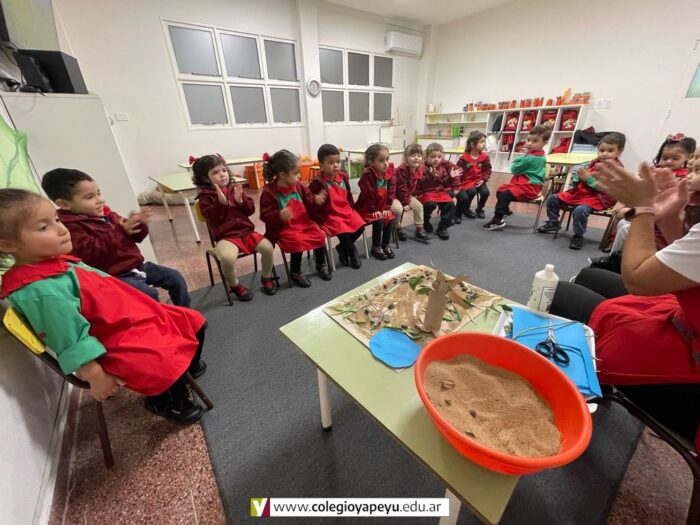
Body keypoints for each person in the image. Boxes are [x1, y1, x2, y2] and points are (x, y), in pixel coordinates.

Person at [0, 189, 208, 424]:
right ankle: (167, 402)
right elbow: (68, 338)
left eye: (56, 220)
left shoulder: (51, 262)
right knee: (163, 357)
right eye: (43, 227)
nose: (62, 229)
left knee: (195, 322)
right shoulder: (39, 291)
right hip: (113, 339)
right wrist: (94, 373)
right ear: (6, 245)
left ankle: (185, 369)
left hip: (128, 319)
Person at [549, 163, 699, 449]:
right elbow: (687, 264)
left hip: (691, 384)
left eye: (698, 168)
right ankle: (596, 378)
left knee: (558, 292)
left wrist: (643, 210)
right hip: (687, 322)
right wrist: (667, 217)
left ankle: (580, 388)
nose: (690, 175)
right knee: (589, 275)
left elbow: (638, 280)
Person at [41, 168, 191, 307]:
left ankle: (186, 313)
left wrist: (139, 224)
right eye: (90, 197)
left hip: (135, 266)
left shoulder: (107, 214)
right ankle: (161, 322)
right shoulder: (69, 227)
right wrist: (121, 231)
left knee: (175, 277)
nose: (100, 200)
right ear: (64, 204)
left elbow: (135, 237)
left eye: (99, 193)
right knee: (148, 294)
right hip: (113, 276)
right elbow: (92, 253)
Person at [592, 134, 697, 271]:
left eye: (675, 158)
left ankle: (617, 259)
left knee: (625, 228)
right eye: (665, 158)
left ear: (688, 157)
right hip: (653, 216)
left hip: (659, 225)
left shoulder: (684, 180)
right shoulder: (658, 171)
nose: (669, 162)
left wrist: (642, 209)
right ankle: (615, 256)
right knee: (622, 220)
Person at [192, 154, 277, 300]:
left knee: (268, 247)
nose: (222, 175)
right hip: (226, 237)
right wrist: (220, 204)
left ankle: (266, 277)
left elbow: (250, 210)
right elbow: (212, 218)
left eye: (224, 170)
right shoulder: (205, 197)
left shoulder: (235, 189)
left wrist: (241, 202)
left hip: (247, 232)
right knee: (227, 257)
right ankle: (235, 286)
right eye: (215, 172)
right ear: (205, 178)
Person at [538, 132, 626, 250]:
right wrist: (577, 178)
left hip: (599, 198)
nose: (605, 154)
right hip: (580, 193)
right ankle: (553, 222)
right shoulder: (594, 162)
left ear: (619, 151)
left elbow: (605, 188)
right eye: (602, 150)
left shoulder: (616, 169)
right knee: (553, 199)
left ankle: (578, 235)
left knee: (580, 210)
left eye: (610, 151)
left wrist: (588, 179)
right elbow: (583, 175)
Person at [259, 150, 330, 288]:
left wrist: (316, 200)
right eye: (296, 173)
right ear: (283, 175)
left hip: (304, 223)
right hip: (284, 228)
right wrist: (279, 215)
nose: (299, 176)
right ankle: (295, 272)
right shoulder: (269, 192)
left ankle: (321, 264)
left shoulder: (299, 186)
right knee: (297, 241)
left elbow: (310, 200)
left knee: (319, 235)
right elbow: (264, 215)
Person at [483, 125, 551, 231]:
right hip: (527, 184)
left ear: (544, 143)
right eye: (528, 140)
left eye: (535, 141)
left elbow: (514, 169)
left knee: (504, 195)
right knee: (501, 190)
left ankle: (497, 220)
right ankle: (505, 211)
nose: (529, 143)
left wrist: (519, 159)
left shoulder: (530, 158)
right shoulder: (538, 155)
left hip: (529, 187)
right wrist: (523, 157)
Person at [308, 144, 365, 269]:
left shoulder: (343, 176)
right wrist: (316, 200)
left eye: (338, 162)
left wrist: (352, 208)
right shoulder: (318, 182)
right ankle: (352, 252)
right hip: (330, 214)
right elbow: (309, 201)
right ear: (321, 165)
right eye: (330, 163)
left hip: (346, 210)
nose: (335, 165)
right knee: (342, 230)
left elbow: (348, 194)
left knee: (360, 226)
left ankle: (342, 247)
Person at [354, 144, 397, 260]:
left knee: (389, 217)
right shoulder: (368, 175)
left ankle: (385, 245)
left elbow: (392, 191)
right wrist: (374, 210)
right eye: (381, 160)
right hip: (368, 207)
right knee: (379, 220)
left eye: (387, 159)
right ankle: (376, 247)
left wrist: (387, 207)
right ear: (371, 162)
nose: (386, 163)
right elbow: (369, 195)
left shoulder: (389, 171)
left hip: (383, 206)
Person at [417, 143, 459, 240]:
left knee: (450, 204)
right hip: (425, 192)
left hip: (439, 192)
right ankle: (425, 222)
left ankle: (442, 228)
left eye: (439, 157)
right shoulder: (422, 168)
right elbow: (421, 184)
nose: (436, 159)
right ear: (426, 157)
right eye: (433, 157)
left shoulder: (442, 168)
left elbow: (445, 183)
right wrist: (430, 175)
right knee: (429, 205)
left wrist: (451, 177)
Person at [391, 144, 429, 242]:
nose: (416, 158)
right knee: (398, 209)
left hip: (406, 195)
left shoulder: (419, 168)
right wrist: (405, 203)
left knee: (419, 206)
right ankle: (397, 228)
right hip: (394, 195)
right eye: (413, 156)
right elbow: (401, 188)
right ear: (406, 157)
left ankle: (419, 229)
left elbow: (418, 183)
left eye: (419, 156)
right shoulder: (402, 170)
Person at [455, 131, 492, 220]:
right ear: (472, 144)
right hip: (467, 181)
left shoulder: (485, 157)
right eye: (481, 142)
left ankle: (479, 209)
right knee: (471, 192)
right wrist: (458, 185)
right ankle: (464, 209)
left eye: (484, 141)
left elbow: (487, 170)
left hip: (479, 180)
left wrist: (483, 180)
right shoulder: (463, 159)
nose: (484, 144)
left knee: (485, 193)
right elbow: (458, 172)